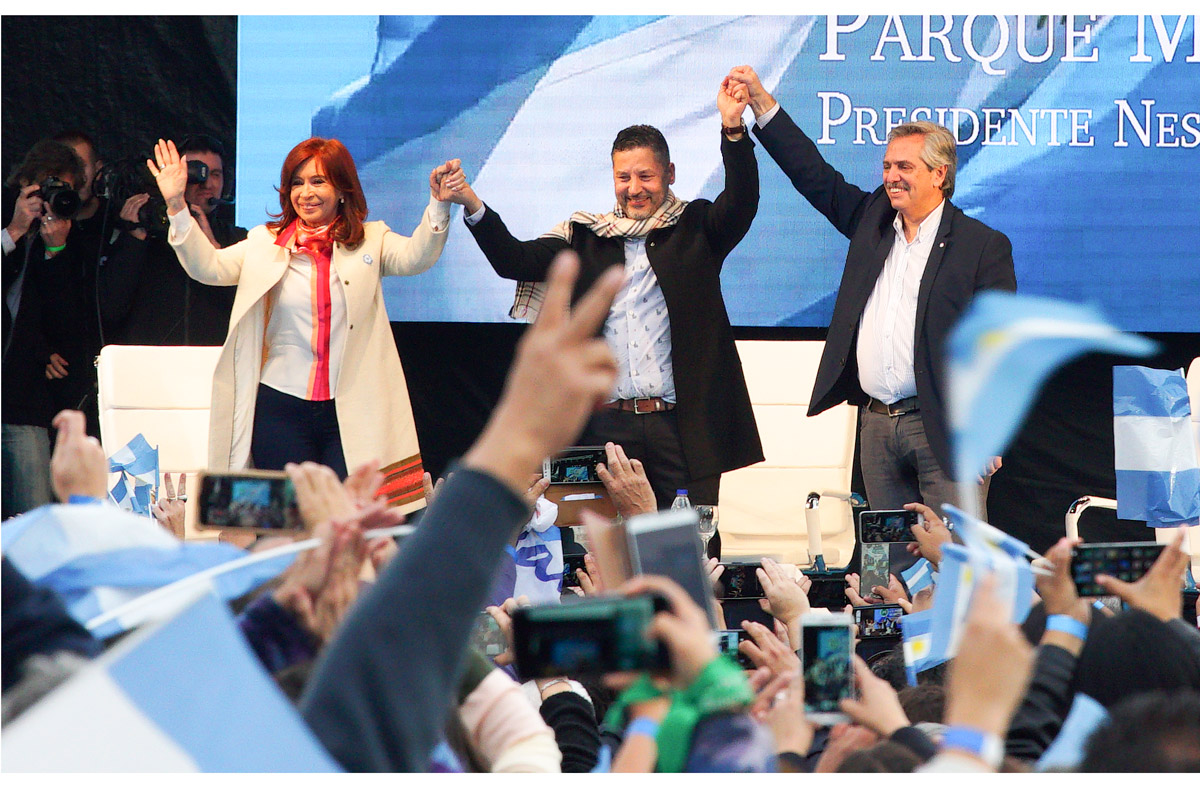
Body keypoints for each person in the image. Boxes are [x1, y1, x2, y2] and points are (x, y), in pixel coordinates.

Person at [449, 80, 763, 528]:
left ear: (670, 174)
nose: (634, 188)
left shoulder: (696, 227)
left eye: (645, 176)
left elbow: (743, 201)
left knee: (688, 548)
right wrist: (471, 203)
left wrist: (733, 129)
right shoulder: (585, 236)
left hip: (681, 427)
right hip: (607, 430)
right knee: (606, 550)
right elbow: (512, 260)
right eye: (623, 177)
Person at [725, 66, 1016, 521]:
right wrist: (761, 104)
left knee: (953, 554)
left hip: (946, 428)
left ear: (939, 174)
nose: (891, 177)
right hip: (877, 425)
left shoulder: (980, 245)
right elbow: (813, 175)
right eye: (887, 166)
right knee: (888, 559)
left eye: (905, 167)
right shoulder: (872, 222)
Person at [148, 137, 472, 505]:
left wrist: (438, 205)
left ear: (342, 189)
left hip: (349, 410)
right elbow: (208, 267)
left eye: (318, 181)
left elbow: (417, 256)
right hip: (280, 407)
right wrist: (176, 205)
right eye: (297, 183)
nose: (306, 193)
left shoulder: (370, 240)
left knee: (344, 518)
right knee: (285, 520)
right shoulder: (265, 243)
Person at [2, 140, 87, 518]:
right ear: (26, 183)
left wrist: (56, 252)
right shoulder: (8, 213)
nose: (55, 196)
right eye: (49, 185)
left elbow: (65, 322)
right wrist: (14, 231)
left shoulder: (68, 237)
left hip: (25, 402)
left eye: (65, 189)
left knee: (35, 518)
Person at [102, 134, 247, 345]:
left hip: (215, 361)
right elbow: (110, 310)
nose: (207, 183)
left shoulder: (238, 240)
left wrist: (215, 254)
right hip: (152, 361)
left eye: (215, 174)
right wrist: (132, 241)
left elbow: (250, 313)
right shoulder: (147, 235)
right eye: (195, 173)